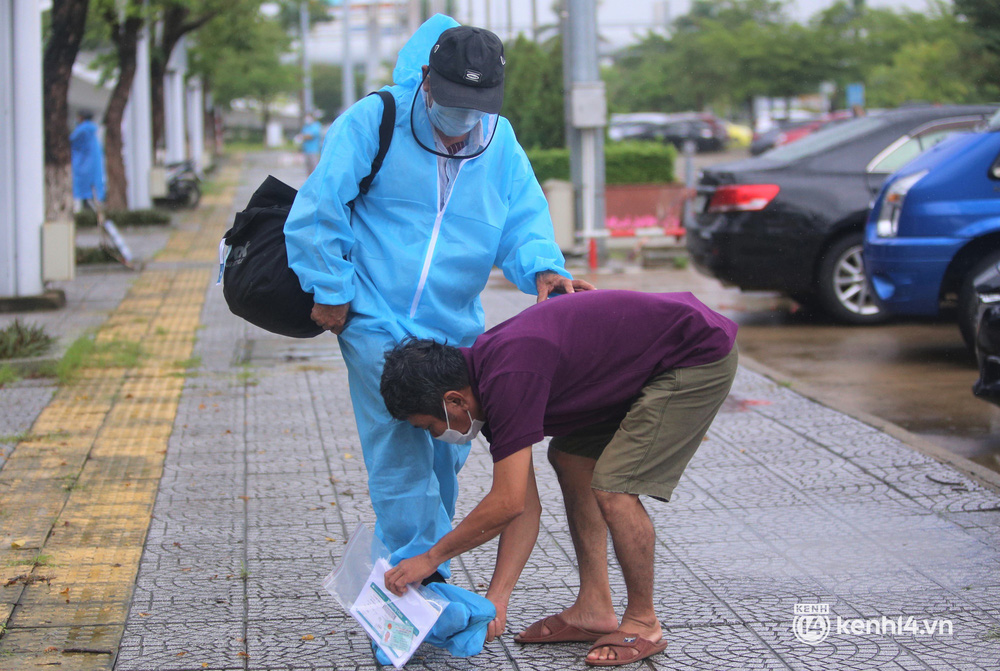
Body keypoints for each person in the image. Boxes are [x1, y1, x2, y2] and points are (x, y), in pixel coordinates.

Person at [284, 15, 592, 592]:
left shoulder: (499, 141)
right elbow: (320, 204)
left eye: (474, 105)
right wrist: (330, 289)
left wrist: (545, 268)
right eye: (450, 101)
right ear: (425, 78)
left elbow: (524, 218)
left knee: (446, 453)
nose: (460, 119)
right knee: (401, 460)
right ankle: (411, 597)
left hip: (455, 328)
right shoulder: (376, 118)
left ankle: (421, 573)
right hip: (375, 319)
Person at [379, 290, 738, 666]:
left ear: (454, 401)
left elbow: (508, 502)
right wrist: (497, 600)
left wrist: (430, 557)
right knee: (571, 457)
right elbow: (523, 506)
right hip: (651, 354)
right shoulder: (485, 387)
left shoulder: (509, 374)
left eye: (429, 425)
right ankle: (594, 608)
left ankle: (644, 622)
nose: (436, 436)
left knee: (614, 488)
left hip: (694, 354)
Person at [70, 111, 105, 210]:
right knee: (91, 199)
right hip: (93, 171)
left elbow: (72, 144)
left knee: (84, 199)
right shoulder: (93, 133)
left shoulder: (81, 131)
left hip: (83, 170)